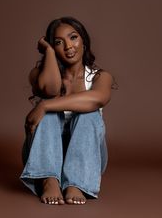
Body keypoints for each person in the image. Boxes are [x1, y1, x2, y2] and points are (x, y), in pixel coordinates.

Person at [20, 16, 118, 205]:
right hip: (40, 155)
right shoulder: (37, 74)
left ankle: (76, 183)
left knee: (88, 112)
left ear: (84, 41)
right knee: (51, 103)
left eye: (73, 37)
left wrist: (44, 105)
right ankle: (49, 179)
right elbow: (50, 90)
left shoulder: (101, 76)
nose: (68, 46)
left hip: (88, 159)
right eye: (58, 42)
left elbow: (97, 99)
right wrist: (48, 52)